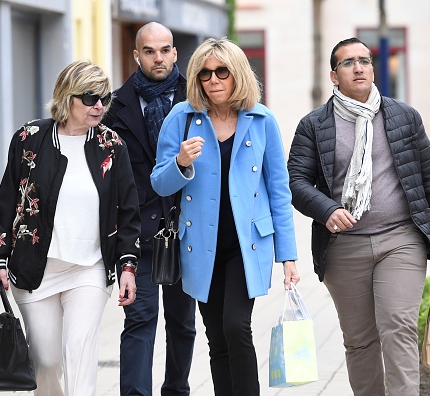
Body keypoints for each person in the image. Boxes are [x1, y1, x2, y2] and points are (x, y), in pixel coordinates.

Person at [287, 37, 430, 396]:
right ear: (334, 76)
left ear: (372, 68)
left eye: (364, 61)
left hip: (400, 239)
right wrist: (327, 209)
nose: (358, 67)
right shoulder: (314, 125)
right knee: (359, 340)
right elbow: (295, 182)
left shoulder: (403, 117)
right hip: (343, 247)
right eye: (348, 62)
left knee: (398, 326)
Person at [150, 37, 300, 396]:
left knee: (236, 326)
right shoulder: (182, 118)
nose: (213, 79)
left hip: (246, 245)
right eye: (204, 73)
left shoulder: (262, 120)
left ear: (237, 75)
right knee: (216, 337)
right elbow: (158, 182)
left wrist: (289, 255)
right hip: (200, 245)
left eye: (222, 71)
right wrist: (181, 163)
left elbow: (279, 191)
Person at [0, 60, 141, 395]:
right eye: (89, 97)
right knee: (46, 364)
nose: (99, 105)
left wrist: (127, 266)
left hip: (90, 269)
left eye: (103, 97)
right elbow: (5, 202)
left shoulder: (112, 146)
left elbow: (129, 212)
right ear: (67, 97)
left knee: (79, 354)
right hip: (35, 270)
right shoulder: (30, 139)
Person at [101, 22, 196, 396]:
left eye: (166, 50)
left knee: (182, 323)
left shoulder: (199, 99)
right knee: (139, 320)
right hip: (136, 232)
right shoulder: (113, 107)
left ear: (175, 53)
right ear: (136, 55)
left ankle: (177, 390)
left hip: (185, 230)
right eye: (150, 51)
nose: (159, 58)